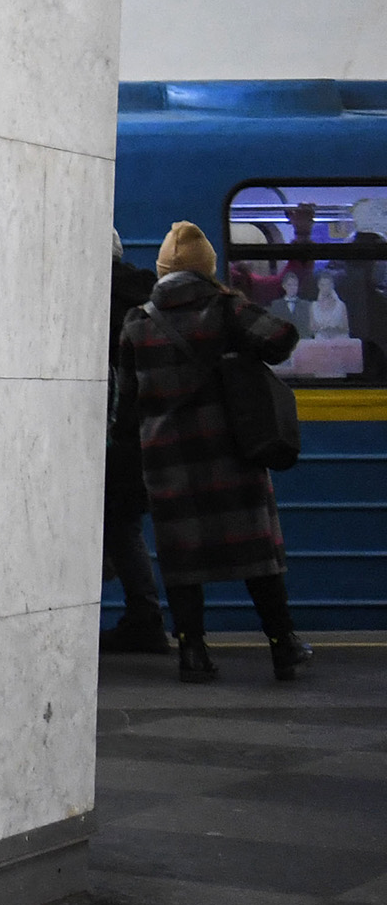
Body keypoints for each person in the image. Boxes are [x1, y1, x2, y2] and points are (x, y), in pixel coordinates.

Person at [119, 222, 311, 682]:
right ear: (207, 268)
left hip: (169, 463)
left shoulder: (138, 321)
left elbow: (127, 405)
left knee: (183, 564)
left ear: (163, 270)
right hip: (231, 456)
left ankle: (193, 653)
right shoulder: (225, 308)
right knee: (257, 555)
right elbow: (281, 339)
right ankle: (283, 646)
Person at [101, 235, 169, 653]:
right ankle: (145, 615)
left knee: (115, 523)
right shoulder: (146, 295)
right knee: (122, 523)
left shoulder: (88, 295)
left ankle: (144, 616)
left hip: (107, 431)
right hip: (146, 429)